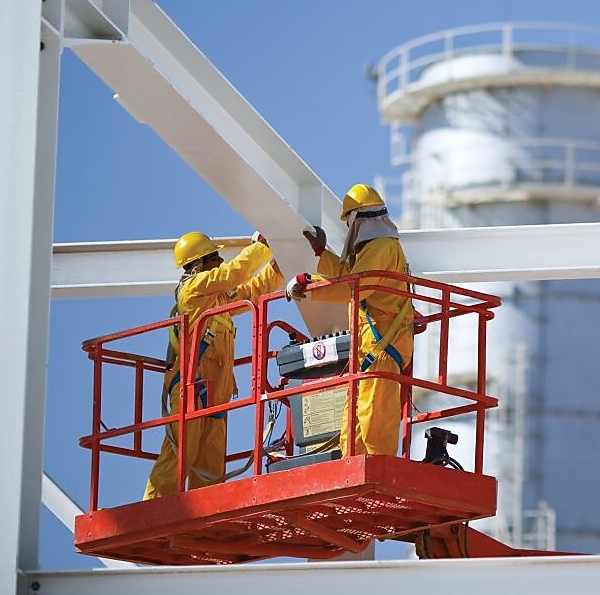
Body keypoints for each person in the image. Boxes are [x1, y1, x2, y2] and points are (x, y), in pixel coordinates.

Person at [143, 230, 282, 499]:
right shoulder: (193, 290)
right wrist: (262, 247)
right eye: (214, 256)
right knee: (179, 455)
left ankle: (205, 508)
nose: (219, 260)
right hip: (190, 391)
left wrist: (278, 269)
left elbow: (250, 293)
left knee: (210, 462)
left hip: (214, 395)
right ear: (199, 264)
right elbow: (233, 274)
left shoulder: (216, 299)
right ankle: (151, 507)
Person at [286, 183, 413, 457]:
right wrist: (322, 253)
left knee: (373, 419)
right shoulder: (376, 248)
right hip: (371, 348)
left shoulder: (381, 247)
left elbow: (354, 287)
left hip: (382, 348)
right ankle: (354, 466)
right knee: (353, 426)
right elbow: (351, 275)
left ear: (356, 220)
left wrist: (309, 285)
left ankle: (380, 469)